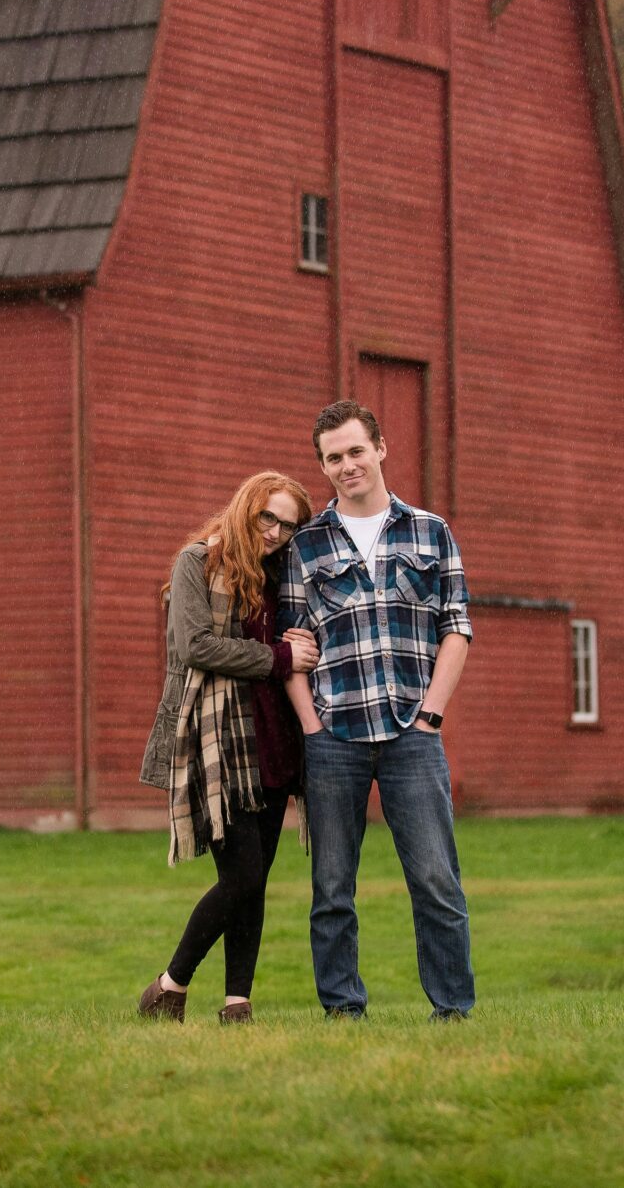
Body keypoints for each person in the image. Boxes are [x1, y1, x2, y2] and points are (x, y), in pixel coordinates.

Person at [279, 400, 476, 1021]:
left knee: (436, 881)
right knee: (332, 888)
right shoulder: (304, 546)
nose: (347, 465)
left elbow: (456, 628)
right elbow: (291, 645)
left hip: (412, 733)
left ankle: (453, 1011)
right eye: (333, 457)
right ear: (323, 466)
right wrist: (311, 727)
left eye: (356, 451)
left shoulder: (431, 532)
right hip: (333, 736)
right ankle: (343, 1011)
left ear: (381, 448)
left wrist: (431, 716)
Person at [136, 471, 320, 1025]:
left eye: (289, 526)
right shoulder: (196, 563)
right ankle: (169, 985)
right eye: (269, 517)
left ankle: (237, 1002)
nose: (276, 533)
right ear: (246, 508)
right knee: (240, 877)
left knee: (254, 881)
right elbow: (197, 646)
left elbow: (294, 633)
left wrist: (300, 641)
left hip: (274, 739)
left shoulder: (281, 573)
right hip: (219, 739)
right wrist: (280, 657)